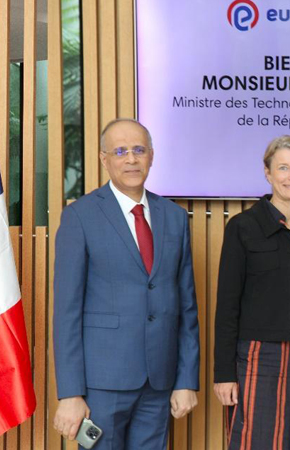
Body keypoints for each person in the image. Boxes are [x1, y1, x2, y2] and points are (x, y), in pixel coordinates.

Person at [53, 118, 200, 449]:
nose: (131, 159)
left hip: (159, 382)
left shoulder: (174, 217)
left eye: (139, 150)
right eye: (120, 151)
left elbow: (186, 306)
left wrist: (186, 380)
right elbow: (66, 312)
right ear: (104, 159)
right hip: (101, 385)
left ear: (151, 156)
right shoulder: (80, 216)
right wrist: (71, 393)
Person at [213, 135, 290, 450]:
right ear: (268, 173)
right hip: (257, 356)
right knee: (254, 441)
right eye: (283, 168)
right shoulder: (243, 227)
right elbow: (227, 307)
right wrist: (224, 374)